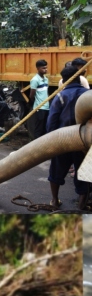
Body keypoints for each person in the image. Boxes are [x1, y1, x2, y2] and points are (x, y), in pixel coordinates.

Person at [46, 61, 91, 211]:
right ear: (80, 78)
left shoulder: (60, 97)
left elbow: (51, 122)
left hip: (62, 141)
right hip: (84, 141)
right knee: (85, 173)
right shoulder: (87, 95)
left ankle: (54, 200)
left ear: (64, 80)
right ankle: (81, 205)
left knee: (56, 172)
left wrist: (50, 142)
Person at [25, 59, 50, 140]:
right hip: (40, 107)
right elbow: (32, 95)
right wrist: (34, 104)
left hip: (46, 106)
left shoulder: (46, 79)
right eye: (43, 68)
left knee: (45, 127)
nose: (45, 70)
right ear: (38, 68)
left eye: (46, 68)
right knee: (39, 127)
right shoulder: (35, 80)